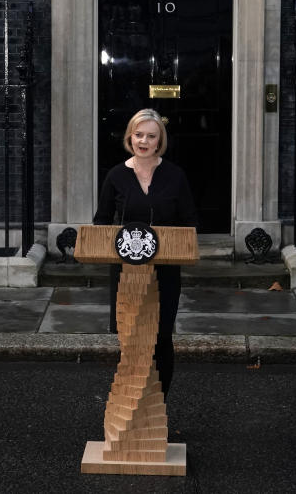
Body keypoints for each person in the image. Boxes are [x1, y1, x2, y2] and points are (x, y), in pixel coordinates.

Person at [93, 108, 197, 399]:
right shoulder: (115, 176)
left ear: (159, 141)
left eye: (151, 136)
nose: (144, 141)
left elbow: (189, 222)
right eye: (139, 134)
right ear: (130, 136)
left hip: (164, 271)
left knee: (161, 337)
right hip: (127, 272)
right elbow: (101, 221)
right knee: (131, 340)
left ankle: (157, 405)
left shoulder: (175, 175)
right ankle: (131, 406)